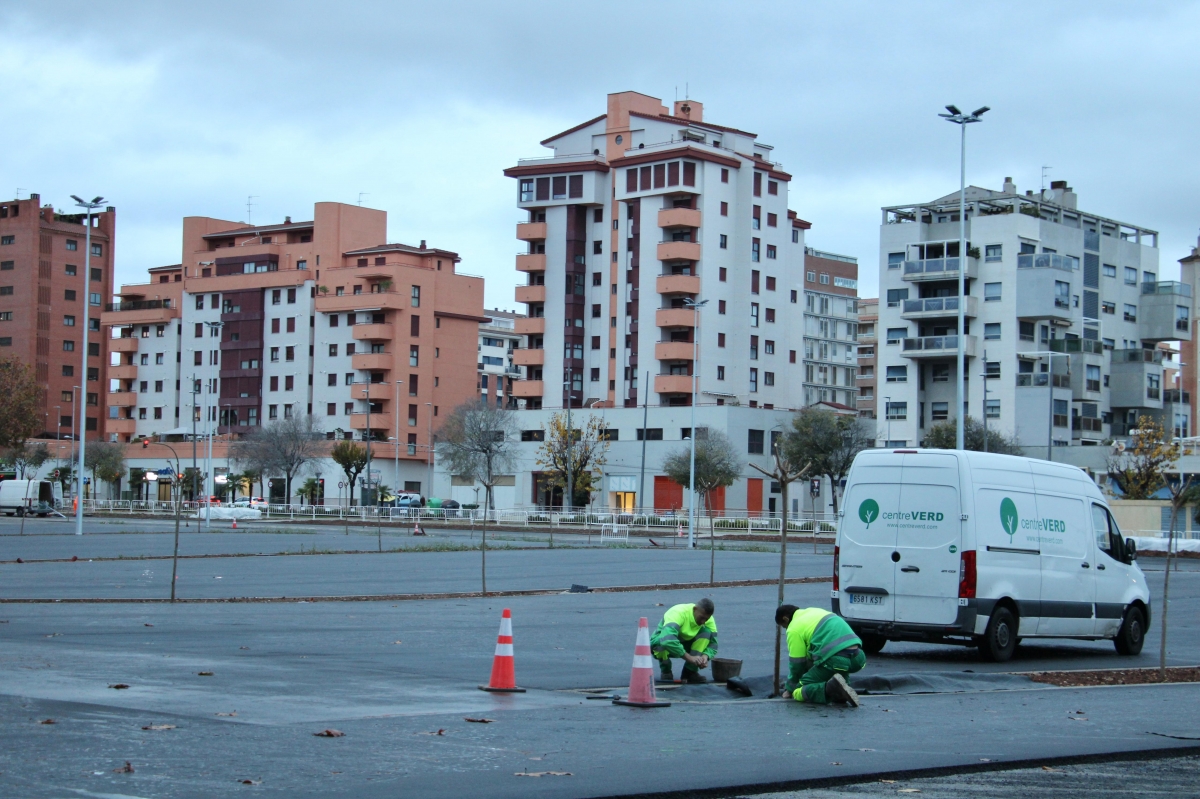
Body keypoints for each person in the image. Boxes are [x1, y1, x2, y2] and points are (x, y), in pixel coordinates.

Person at [775, 604, 864, 707]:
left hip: (836, 660)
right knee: (837, 673)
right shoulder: (813, 611)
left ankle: (829, 689)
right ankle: (840, 692)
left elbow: (797, 664)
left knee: (798, 690)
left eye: (784, 626)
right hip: (858, 658)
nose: (785, 629)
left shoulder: (793, 628)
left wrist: (790, 689)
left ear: (785, 619)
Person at [650, 598, 718, 684]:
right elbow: (668, 640)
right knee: (662, 642)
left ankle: (690, 672)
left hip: (683, 643)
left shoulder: (709, 620)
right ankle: (666, 670)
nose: (703, 622)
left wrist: (705, 656)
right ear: (695, 609)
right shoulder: (678, 613)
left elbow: (713, 644)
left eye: (706, 619)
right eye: (701, 618)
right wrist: (690, 658)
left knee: (706, 633)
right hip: (662, 642)